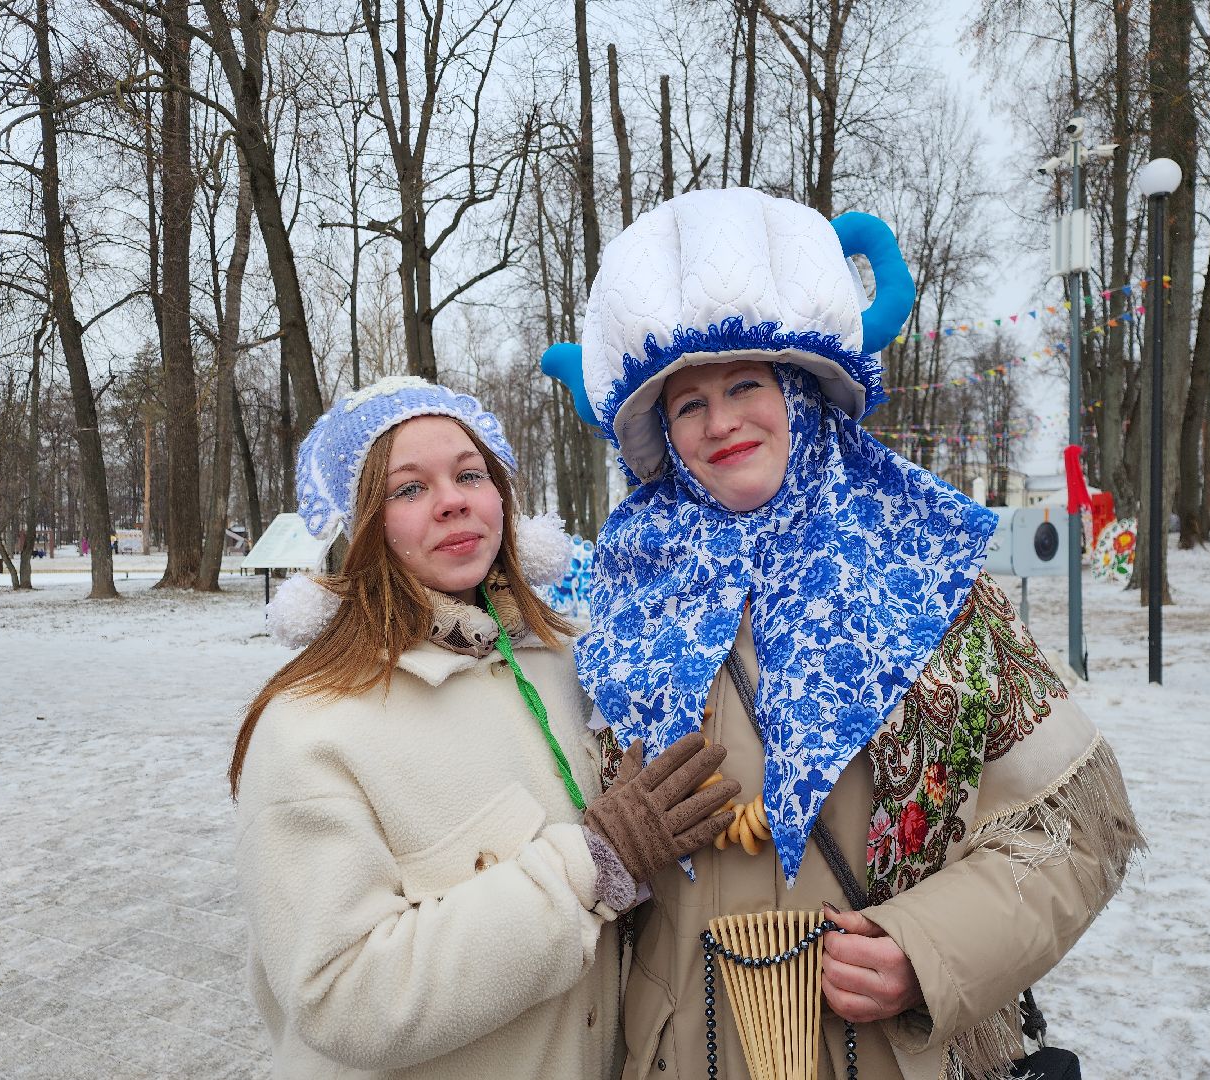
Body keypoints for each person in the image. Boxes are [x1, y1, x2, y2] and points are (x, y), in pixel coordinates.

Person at [546, 188, 1145, 1080]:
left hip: (882, 1057)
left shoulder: (929, 582)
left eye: (745, 384)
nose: (720, 423)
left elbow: (1077, 829)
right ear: (664, 435)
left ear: (799, 393)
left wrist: (929, 950)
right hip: (678, 1055)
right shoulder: (625, 607)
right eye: (688, 404)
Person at [228, 375, 739, 1080]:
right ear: (366, 522)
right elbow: (340, 997)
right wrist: (590, 864)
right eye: (409, 489)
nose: (452, 500)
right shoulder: (313, 726)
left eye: (471, 474)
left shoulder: (568, 666)